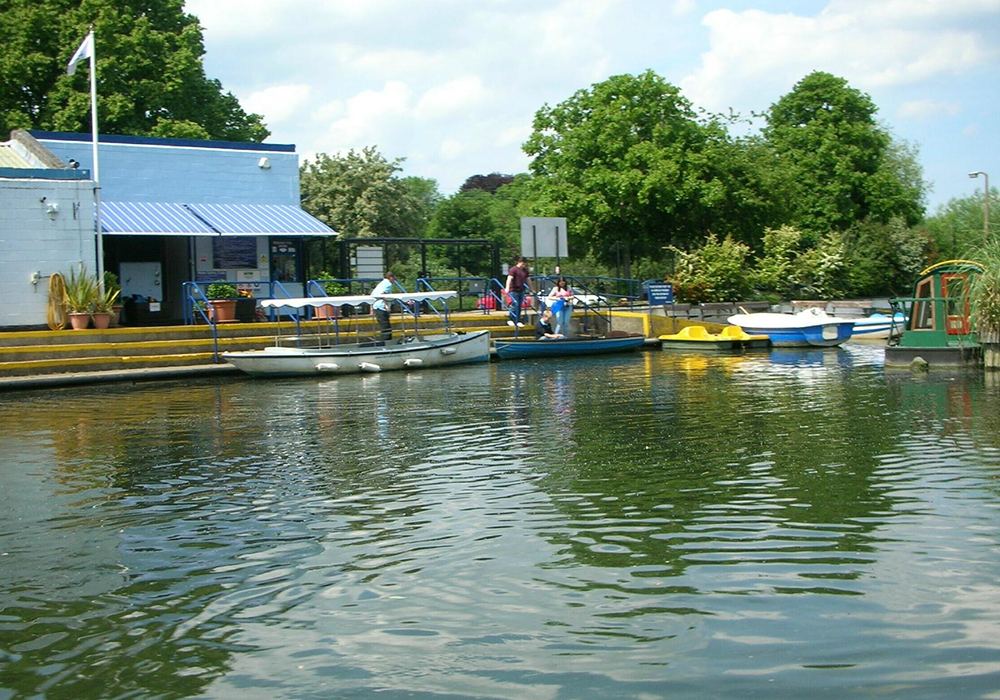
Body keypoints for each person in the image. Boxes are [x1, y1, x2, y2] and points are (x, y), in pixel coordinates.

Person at [505, 257, 533, 328]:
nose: (523, 265)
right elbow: (509, 279)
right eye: (522, 263)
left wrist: (532, 289)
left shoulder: (525, 271)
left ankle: (517, 320)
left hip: (521, 289)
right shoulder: (513, 269)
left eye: (524, 263)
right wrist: (507, 288)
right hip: (514, 289)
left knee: (519, 305)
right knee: (515, 304)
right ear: (519, 262)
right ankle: (511, 319)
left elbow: (528, 280)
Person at [371, 270, 395, 341]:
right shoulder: (388, 284)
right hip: (381, 307)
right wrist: (387, 305)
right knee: (386, 327)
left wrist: (371, 308)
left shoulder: (381, 283)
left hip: (376, 306)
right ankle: (386, 343)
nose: (394, 281)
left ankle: (384, 342)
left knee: (383, 326)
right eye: (394, 278)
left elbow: (372, 294)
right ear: (391, 278)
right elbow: (383, 294)